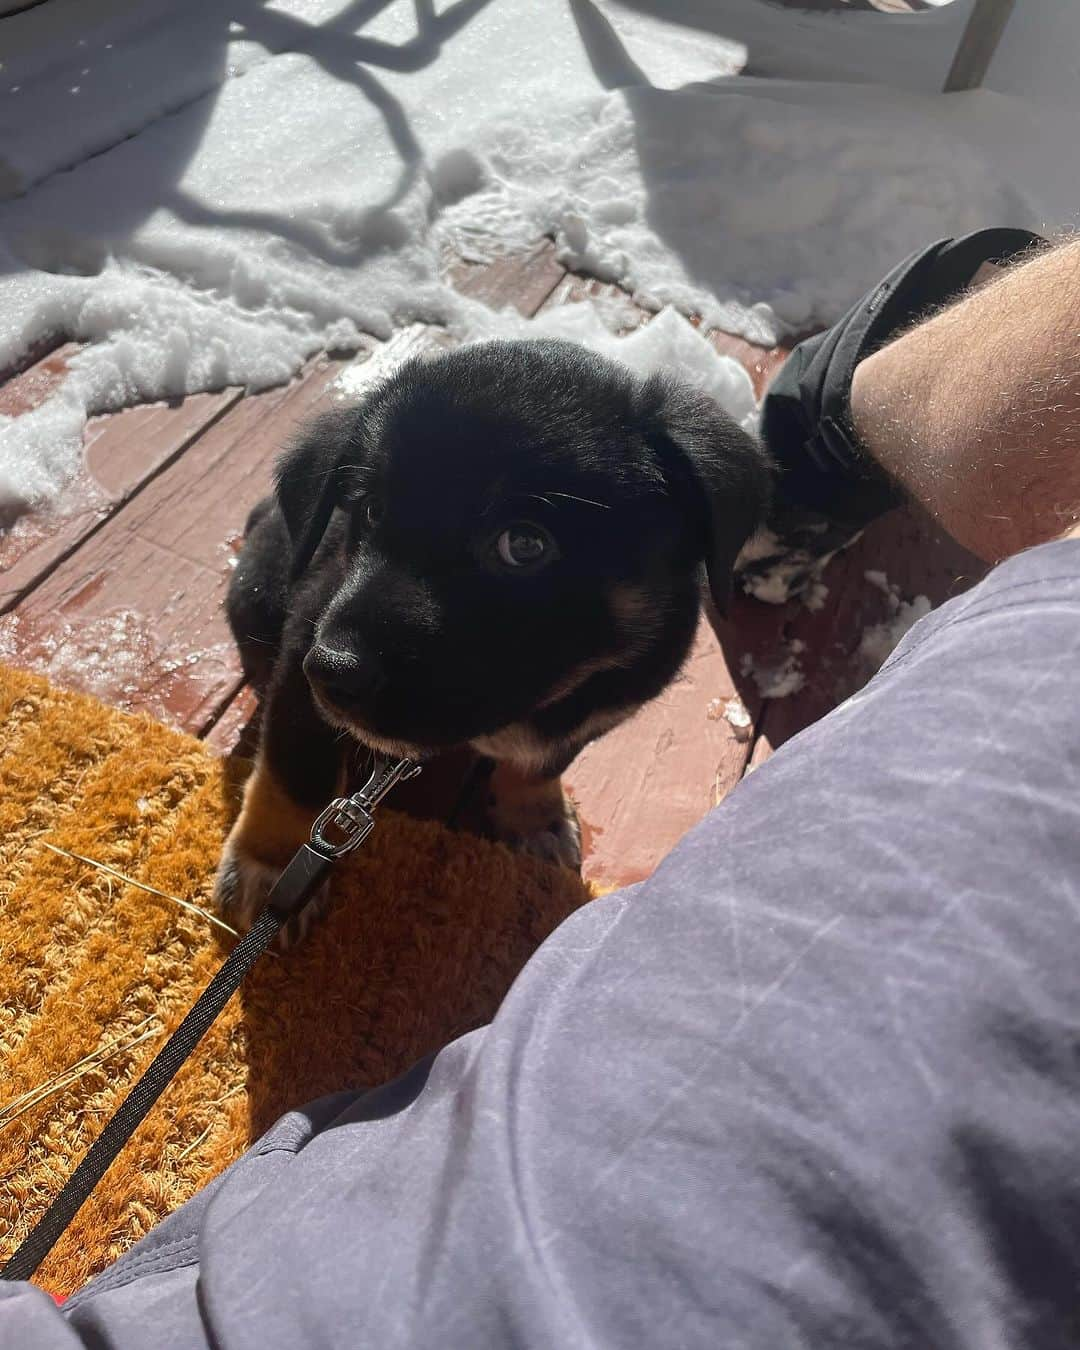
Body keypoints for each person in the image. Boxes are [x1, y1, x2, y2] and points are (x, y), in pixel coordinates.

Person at [4, 228, 1079, 1349]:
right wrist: (277, 833)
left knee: (519, 747)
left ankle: (512, 788)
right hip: (351, 657)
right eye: (370, 518)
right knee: (293, 630)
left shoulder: (628, 639)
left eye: (524, 542)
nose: (351, 642)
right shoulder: (351, 625)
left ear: (690, 525)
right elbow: (314, 672)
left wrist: (526, 791)